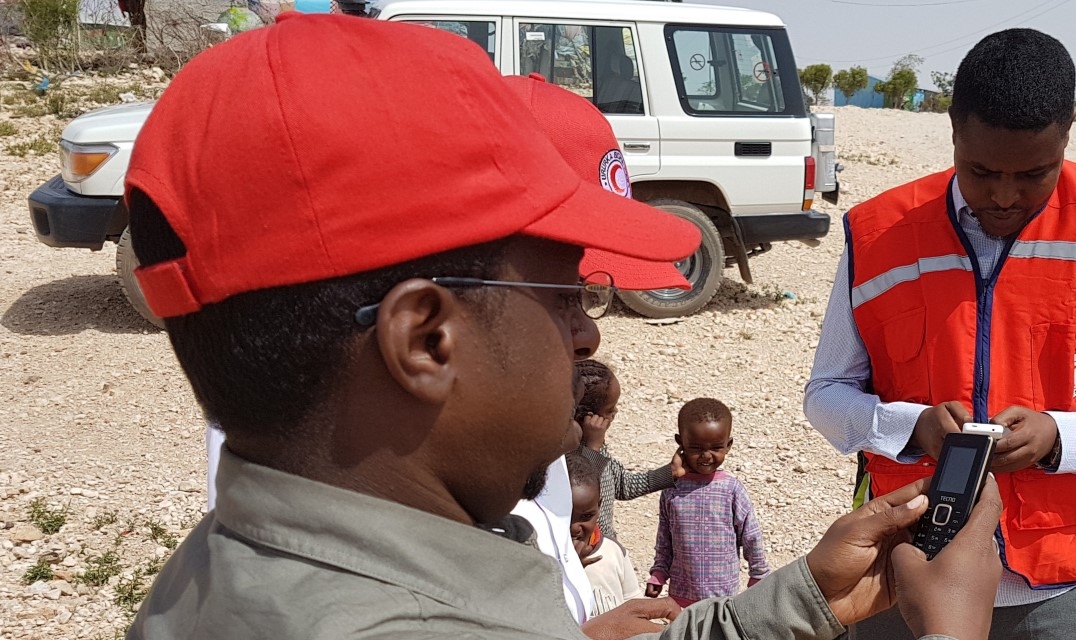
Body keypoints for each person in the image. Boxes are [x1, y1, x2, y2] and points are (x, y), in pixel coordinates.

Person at [124, 14, 1005, 640]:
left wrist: (806, 598)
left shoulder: (242, 570)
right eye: (564, 297)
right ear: (426, 341)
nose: (586, 337)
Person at [805, 28, 1076, 640]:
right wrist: (912, 427)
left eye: (1033, 174)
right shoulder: (879, 234)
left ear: (1067, 133)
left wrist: (1060, 438)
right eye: (981, 171)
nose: (1003, 195)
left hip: (1057, 591)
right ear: (953, 129)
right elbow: (827, 395)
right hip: (903, 573)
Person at [647, 398, 771, 607]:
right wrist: (659, 573)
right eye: (696, 448)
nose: (706, 456)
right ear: (680, 442)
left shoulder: (731, 489)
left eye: (716, 448)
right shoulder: (672, 489)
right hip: (681, 593)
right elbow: (665, 538)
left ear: (728, 445)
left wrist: (758, 573)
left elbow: (751, 534)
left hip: (722, 596)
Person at [575, 359, 683, 540]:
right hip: (585, 547)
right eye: (610, 410)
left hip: (606, 543)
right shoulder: (567, 453)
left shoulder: (599, 448)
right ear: (588, 418)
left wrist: (670, 472)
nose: (615, 412)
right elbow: (583, 487)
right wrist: (592, 448)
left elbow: (623, 485)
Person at [569, 447, 647, 616]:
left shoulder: (613, 551)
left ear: (599, 505)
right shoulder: (547, 559)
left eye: (586, 516)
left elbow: (634, 604)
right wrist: (569, 569)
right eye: (566, 516)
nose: (575, 527)